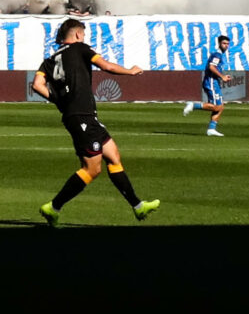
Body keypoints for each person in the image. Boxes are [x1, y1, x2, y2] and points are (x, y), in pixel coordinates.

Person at [32, 19, 161, 225]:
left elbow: (37, 85)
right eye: (83, 34)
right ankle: (53, 207)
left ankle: (138, 207)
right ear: (77, 35)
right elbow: (106, 66)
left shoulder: (48, 61)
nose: (84, 38)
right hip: (81, 115)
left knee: (113, 156)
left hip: (82, 115)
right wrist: (130, 71)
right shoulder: (81, 48)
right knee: (92, 169)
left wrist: (59, 99)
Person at [182, 34, 230, 137]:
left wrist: (222, 76)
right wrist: (222, 76)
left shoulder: (220, 55)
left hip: (214, 82)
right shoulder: (217, 55)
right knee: (217, 107)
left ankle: (211, 129)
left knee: (220, 107)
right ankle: (193, 105)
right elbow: (211, 67)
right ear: (219, 44)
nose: (226, 45)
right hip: (211, 82)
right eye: (224, 43)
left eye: (227, 44)